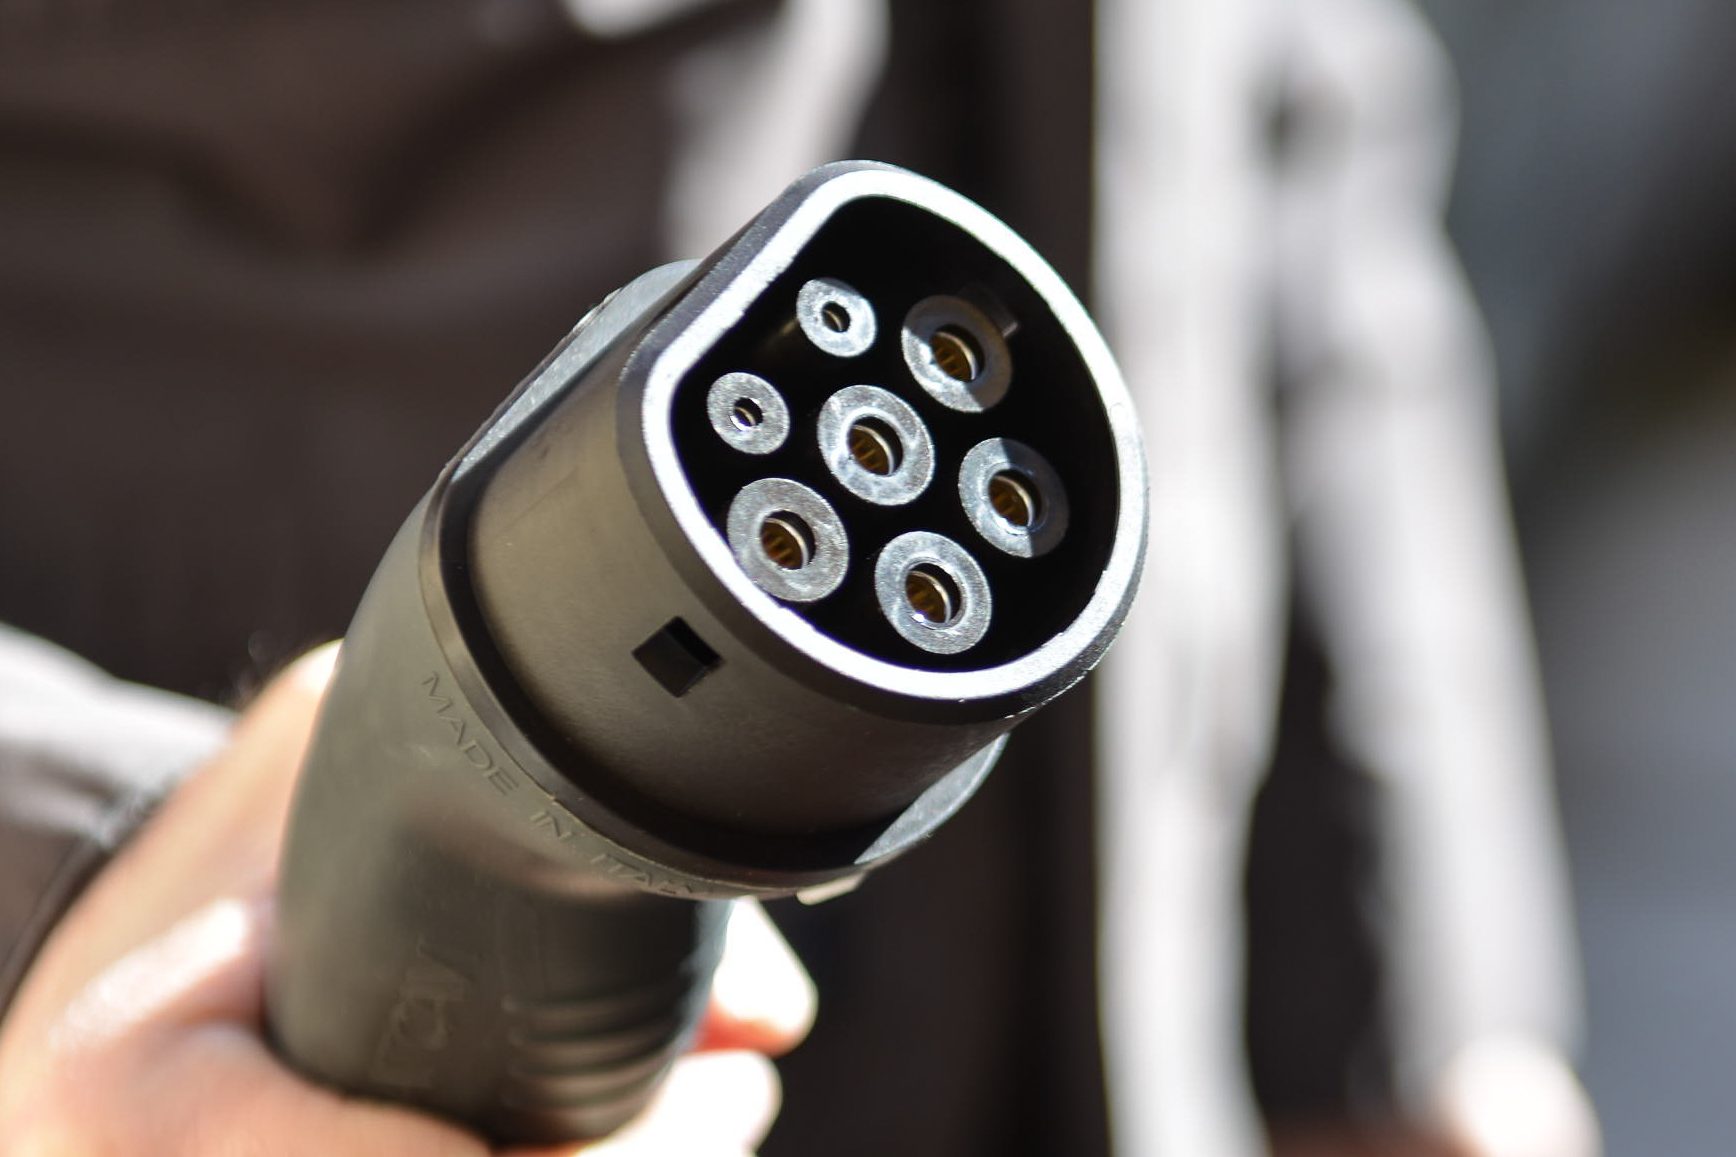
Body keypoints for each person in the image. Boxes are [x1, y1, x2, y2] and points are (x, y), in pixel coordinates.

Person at [0, 0, 1595, 1153]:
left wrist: (1407, 1001)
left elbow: (1283, 87)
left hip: (1101, 1018)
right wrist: (65, 900)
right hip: (272, 1014)